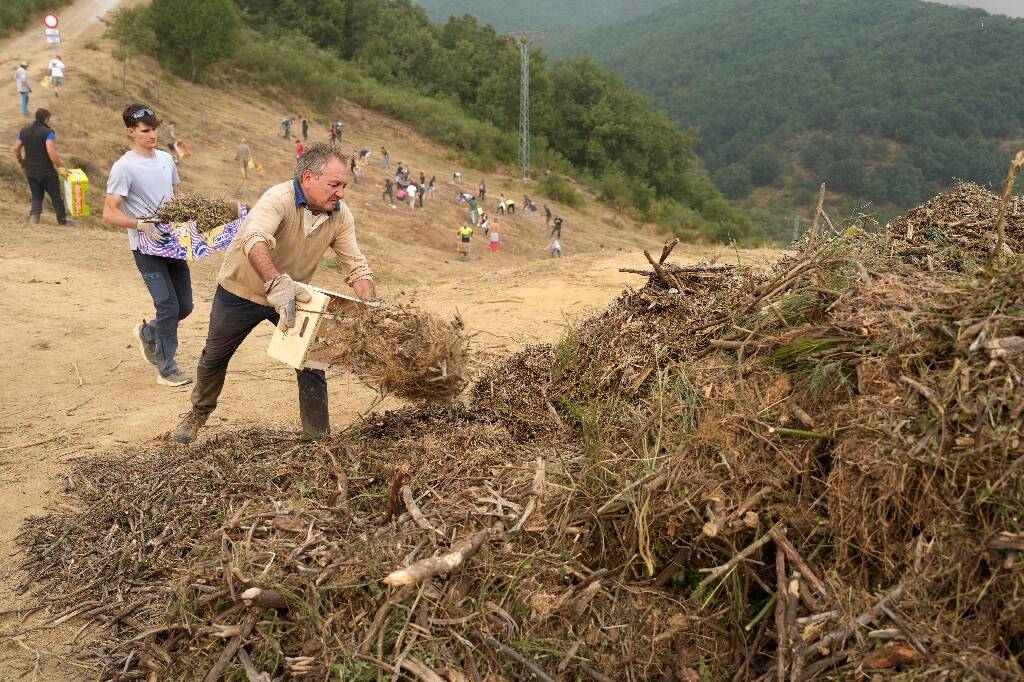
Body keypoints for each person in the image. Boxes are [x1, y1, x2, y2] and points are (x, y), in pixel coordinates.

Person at [171, 143, 377, 444]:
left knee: (311, 361)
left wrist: (371, 304)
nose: (341, 193)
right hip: (241, 290)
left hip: (295, 296)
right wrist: (275, 283)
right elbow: (254, 240)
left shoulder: (340, 216)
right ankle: (198, 412)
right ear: (308, 178)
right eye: (334, 185)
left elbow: (356, 266)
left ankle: (316, 437)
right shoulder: (278, 199)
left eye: (344, 186)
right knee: (215, 356)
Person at [102, 104, 191, 387]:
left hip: (172, 242)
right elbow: (109, 212)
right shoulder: (124, 167)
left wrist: (188, 213)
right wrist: (140, 225)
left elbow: (176, 193)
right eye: (145, 130)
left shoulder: (166, 159)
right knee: (167, 305)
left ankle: (149, 332)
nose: (152, 135)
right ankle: (167, 369)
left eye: (154, 129)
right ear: (131, 132)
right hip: (145, 247)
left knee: (184, 306)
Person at [13, 108, 68, 225]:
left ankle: (34, 218)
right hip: (46, 170)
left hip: (30, 169)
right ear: (46, 119)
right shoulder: (48, 132)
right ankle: (62, 220)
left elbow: (16, 148)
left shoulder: (24, 131)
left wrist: (21, 161)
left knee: (36, 194)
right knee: (55, 196)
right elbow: (51, 152)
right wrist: (61, 168)